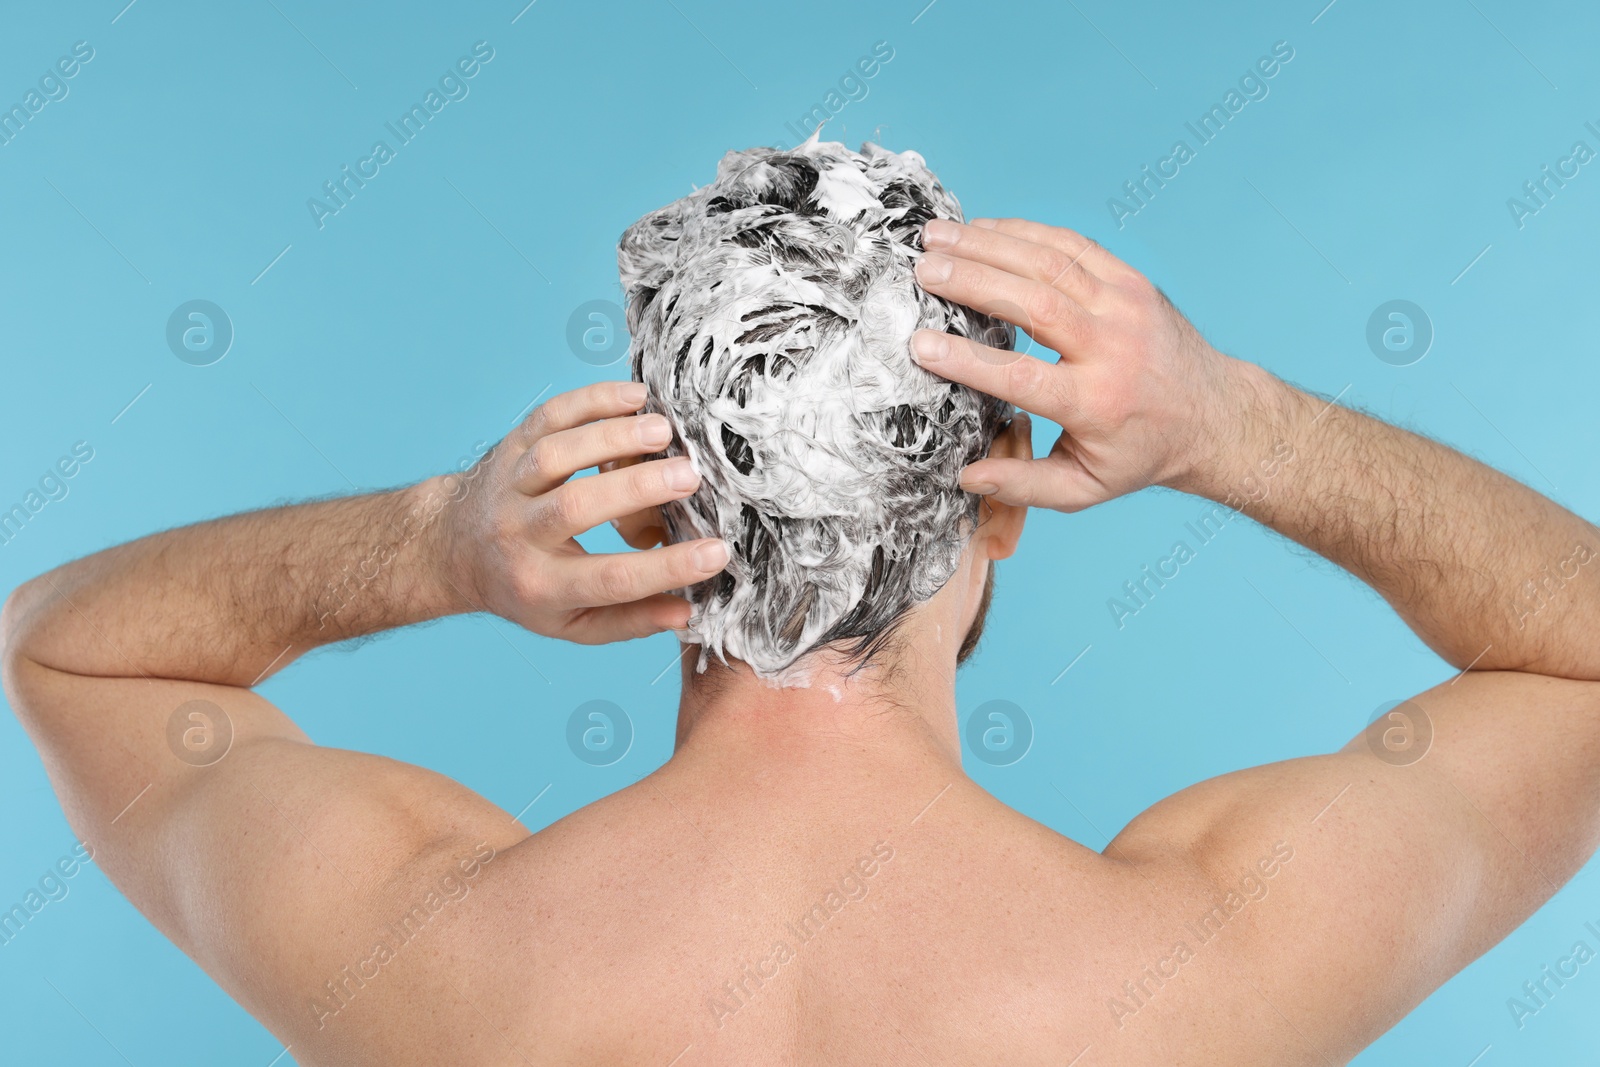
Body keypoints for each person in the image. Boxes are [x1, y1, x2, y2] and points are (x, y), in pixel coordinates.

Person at [5, 157, 1600, 1066]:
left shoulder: (428, 954)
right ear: (1000, 510)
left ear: (634, 509)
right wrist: (1234, 420)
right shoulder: (1188, 975)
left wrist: (433, 542)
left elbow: (66, 644)